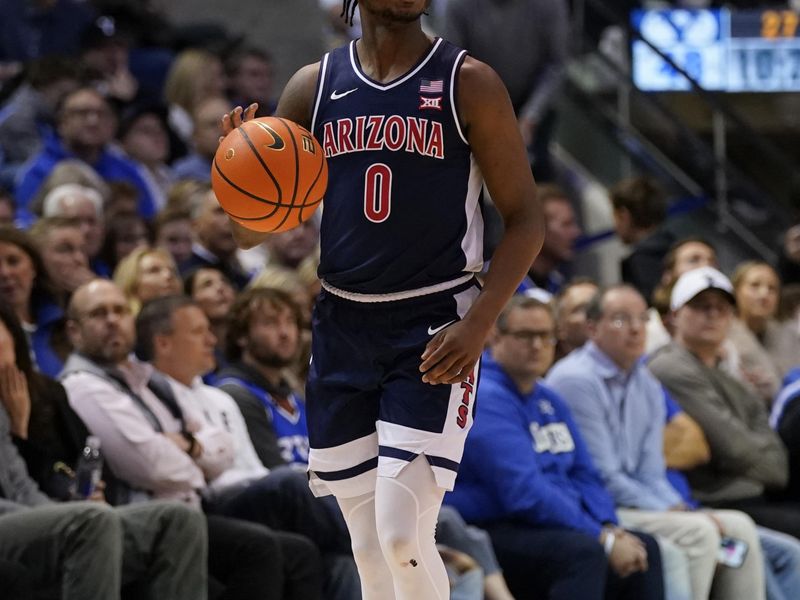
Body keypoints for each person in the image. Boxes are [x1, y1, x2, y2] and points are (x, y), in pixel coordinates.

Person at [221, 0, 544, 597]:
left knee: (402, 534)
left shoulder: (468, 81)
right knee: (369, 547)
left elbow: (526, 221)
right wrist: (242, 175)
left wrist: (480, 323)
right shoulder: (313, 86)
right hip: (342, 324)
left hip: (433, 324)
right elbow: (252, 232)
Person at [60, 278, 324, 599]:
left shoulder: (146, 380)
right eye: (99, 314)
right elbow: (154, 466)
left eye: (119, 310)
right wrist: (196, 458)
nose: (113, 320)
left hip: (192, 509)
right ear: (74, 331)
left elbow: (222, 449)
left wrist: (187, 445)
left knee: (301, 554)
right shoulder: (83, 386)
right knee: (257, 546)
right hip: (148, 519)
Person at [546, 284, 767, 600]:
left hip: (640, 501)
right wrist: (672, 511)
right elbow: (604, 477)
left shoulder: (646, 381)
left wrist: (679, 507)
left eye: (641, 318)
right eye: (622, 320)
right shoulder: (575, 380)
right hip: (601, 507)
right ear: (592, 328)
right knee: (700, 533)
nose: (636, 329)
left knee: (739, 529)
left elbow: (651, 470)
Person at [446, 295, 664, 599]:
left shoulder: (549, 398)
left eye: (545, 336)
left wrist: (609, 526)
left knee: (644, 547)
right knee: (583, 552)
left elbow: (586, 474)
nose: (537, 346)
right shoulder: (486, 397)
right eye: (525, 335)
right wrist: (600, 537)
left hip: (544, 522)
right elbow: (524, 493)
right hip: (492, 525)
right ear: (495, 336)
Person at [0, 300, 208, 600]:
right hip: (18, 518)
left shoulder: (41, 394)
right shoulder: (81, 384)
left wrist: (67, 505)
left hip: (39, 509)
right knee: (91, 521)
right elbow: (153, 464)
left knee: (176, 519)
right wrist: (66, 515)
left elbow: (27, 482)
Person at [647, 267, 800, 539]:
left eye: (722, 307)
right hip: (714, 502)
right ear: (673, 316)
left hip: (751, 496)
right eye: (700, 306)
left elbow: (771, 448)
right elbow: (731, 445)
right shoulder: (670, 366)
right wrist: (770, 468)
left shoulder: (728, 374)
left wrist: (771, 468)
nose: (713, 314)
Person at [610, 176, 673, 304]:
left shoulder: (637, 263)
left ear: (624, 215)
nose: (614, 225)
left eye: (614, 216)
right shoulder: (679, 249)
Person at [515, 184, 582, 301]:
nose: (576, 233)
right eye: (566, 224)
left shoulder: (562, 288)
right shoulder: (492, 282)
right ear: (538, 229)